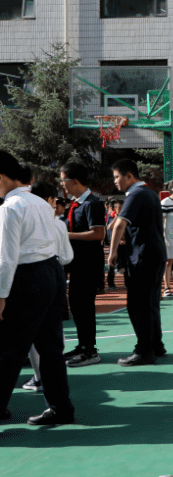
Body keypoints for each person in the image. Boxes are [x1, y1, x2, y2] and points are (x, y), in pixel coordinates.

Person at [0, 153, 75, 425]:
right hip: (50, 272)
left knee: (9, 349)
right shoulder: (41, 202)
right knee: (50, 347)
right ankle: (61, 407)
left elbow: (6, 258)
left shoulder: (10, 207)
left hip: (27, 277)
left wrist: (1, 296)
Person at [109, 159, 167, 366]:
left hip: (143, 257)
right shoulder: (150, 193)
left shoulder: (136, 194)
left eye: (117, 176)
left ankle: (144, 350)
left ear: (129, 176)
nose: (115, 181)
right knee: (151, 303)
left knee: (137, 305)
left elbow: (119, 225)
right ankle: (156, 345)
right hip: (156, 254)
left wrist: (112, 252)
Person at [58, 161, 106, 367]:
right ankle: (83, 345)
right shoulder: (76, 203)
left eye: (63, 180)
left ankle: (90, 350)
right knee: (77, 306)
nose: (62, 185)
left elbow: (99, 233)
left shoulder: (92, 203)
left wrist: (66, 234)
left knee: (84, 307)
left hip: (88, 265)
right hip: (77, 264)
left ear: (75, 181)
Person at [104, 199, 125, 290]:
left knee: (126, 265)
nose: (118, 209)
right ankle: (111, 284)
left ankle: (128, 283)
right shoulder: (112, 217)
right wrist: (116, 217)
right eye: (117, 207)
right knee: (112, 264)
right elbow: (109, 227)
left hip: (125, 244)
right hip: (115, 244)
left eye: (120, 207)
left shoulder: (127, 217)